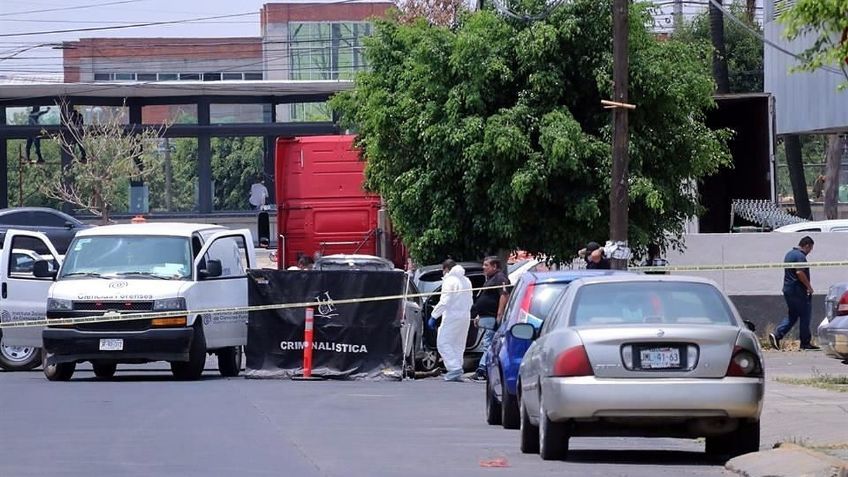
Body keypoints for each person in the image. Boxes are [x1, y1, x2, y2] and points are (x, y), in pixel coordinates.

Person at [770, 236, 819, 351]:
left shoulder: (789, 254)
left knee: (793, 315)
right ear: (807, 245)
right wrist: (809, 287)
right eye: (810, 248)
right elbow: (800, 272)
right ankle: (805, 343)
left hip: (788, 289)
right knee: (805, 315)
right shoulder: (800, 256)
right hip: (798, 290)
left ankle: (777, 335)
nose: (810, 251)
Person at [429, 259, 473, 382]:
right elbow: (470, 300)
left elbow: (445, 301)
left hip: (452, 315)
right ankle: (457, 368)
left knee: (443, 342)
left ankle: (454, 368)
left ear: (446, 269)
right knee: (458, 344)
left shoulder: (449, 281)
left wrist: (434, 316)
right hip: (465, 315)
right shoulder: (466, 280)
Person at [472, 256, 511, 381]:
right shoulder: (490, 279)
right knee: (487, 343)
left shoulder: (500, 278)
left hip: (493, 317)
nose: (484, 268)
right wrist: (479, 314)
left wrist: (499, 314)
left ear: (494, 267)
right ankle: (485, 368)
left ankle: (483, 368)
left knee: (489, 343)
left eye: (486, 265)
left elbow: (504, 295)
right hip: (486, 316)